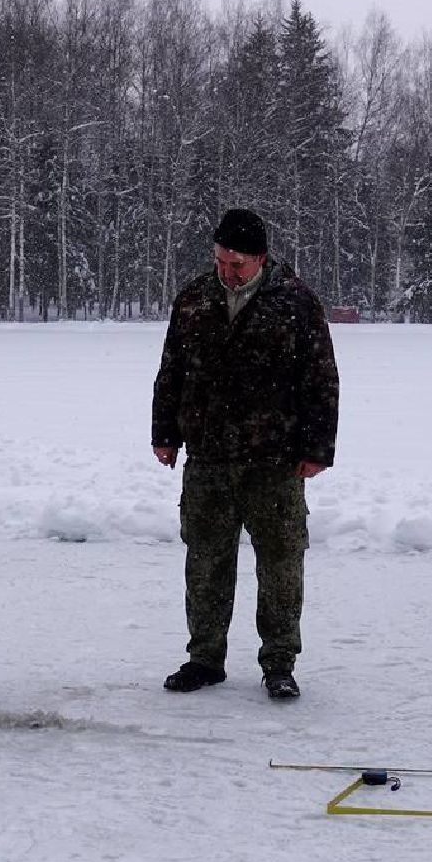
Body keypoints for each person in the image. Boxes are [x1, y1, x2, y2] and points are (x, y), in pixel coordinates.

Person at [151, 207, 339, 700]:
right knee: (206, 560)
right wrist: (164, 432)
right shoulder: (193, 298)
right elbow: (171, 370)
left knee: (280, 563)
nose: (226, 272)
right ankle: (204, 658)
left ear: (259, 258)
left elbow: (321, 380)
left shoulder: (296, 302)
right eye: (220, 261)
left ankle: (279, 661)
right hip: (208, 455)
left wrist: (317, 447)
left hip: (274, 460)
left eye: (236, 264)